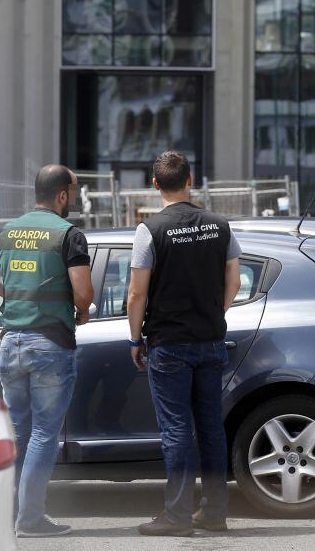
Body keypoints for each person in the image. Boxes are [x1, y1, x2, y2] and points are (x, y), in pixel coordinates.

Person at [127, 151, 241, 537]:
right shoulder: (220, 225)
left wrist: (134, 337)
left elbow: (135, 294)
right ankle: (215, 513)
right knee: (211, 427)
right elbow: (235, 281)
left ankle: (177, 516)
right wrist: (216, 314)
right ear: (191, 181)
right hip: (211, 340)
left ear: (155, 184)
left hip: (169, 343)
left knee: (176, 429)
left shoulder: (150, 230)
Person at [0, 165, 94, 537]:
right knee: (44, 434)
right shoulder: (69, 235)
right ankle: (30, 520)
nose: (74, 201)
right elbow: (83, 294)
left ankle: (11, 516)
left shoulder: (6, 231)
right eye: (73, 194)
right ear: (62, 195)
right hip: (50, 343)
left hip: (11, 343)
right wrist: (81, 313)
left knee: (18, 433)